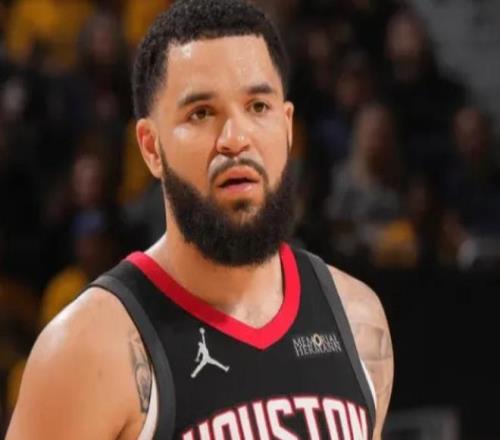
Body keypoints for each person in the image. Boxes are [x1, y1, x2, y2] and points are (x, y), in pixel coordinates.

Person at [6, 1, 393, 439]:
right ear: (151, 148)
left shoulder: (358, 321)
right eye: (201, 113)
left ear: (287, 128)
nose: (235, 138)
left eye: (258, 106)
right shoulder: (88, 348)